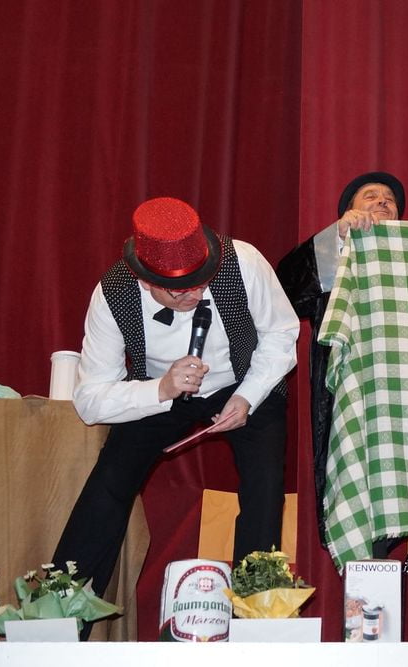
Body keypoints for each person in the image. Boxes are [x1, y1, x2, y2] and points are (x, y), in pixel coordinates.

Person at [53, 196, 299, 631]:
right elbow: (90, 400)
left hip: (244, 381)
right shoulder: (113, 294)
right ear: (144, 280)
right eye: (180, 290)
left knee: (264, 485)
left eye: (202, 283)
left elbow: (281, 333)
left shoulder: (243, 261)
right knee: (110, 483)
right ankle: (59, 616)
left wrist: (249, 396)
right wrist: (161, 389)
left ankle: (258, 621)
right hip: (158, 390)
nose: (196, 295)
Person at [276, 172, 405, 557]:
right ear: (349, 210)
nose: (382, 201)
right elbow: (285, 290)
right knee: (351, 475)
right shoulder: (332, 251)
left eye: (389, 199)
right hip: (349, 390)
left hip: (403, 392)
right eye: (371, 196)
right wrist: (336, 236)